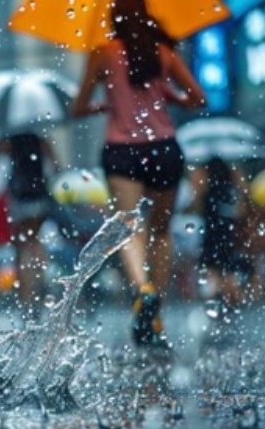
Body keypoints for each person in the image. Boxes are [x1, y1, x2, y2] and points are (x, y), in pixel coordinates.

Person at [70, 0, 206, 349]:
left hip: (121, 151)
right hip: (164, 147)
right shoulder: (163, 53)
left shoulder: (103, 53)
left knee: (129, 227)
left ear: (114, 18)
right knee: (161, 232)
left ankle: (142, 289)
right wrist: (168, 97)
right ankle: (155, 312)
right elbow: (198, 98)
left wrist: (105, 104)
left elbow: (78, 106)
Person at [0, 132, 60, 318]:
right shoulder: (40, 139)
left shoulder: (8, 140)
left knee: (22, 246)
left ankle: (27, 299)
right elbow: (57, 167)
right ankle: (42, 280)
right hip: (39, 191)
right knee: (35, 240)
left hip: (18, 193)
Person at [188, 157, 250, 316]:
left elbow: (196, 206)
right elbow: (242, 209)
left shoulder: (206, 187)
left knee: (210, 269)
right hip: (228, 234)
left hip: (210, 234)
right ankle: (229, 303)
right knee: (228, 268)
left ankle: (212, 301)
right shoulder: (230, 188)